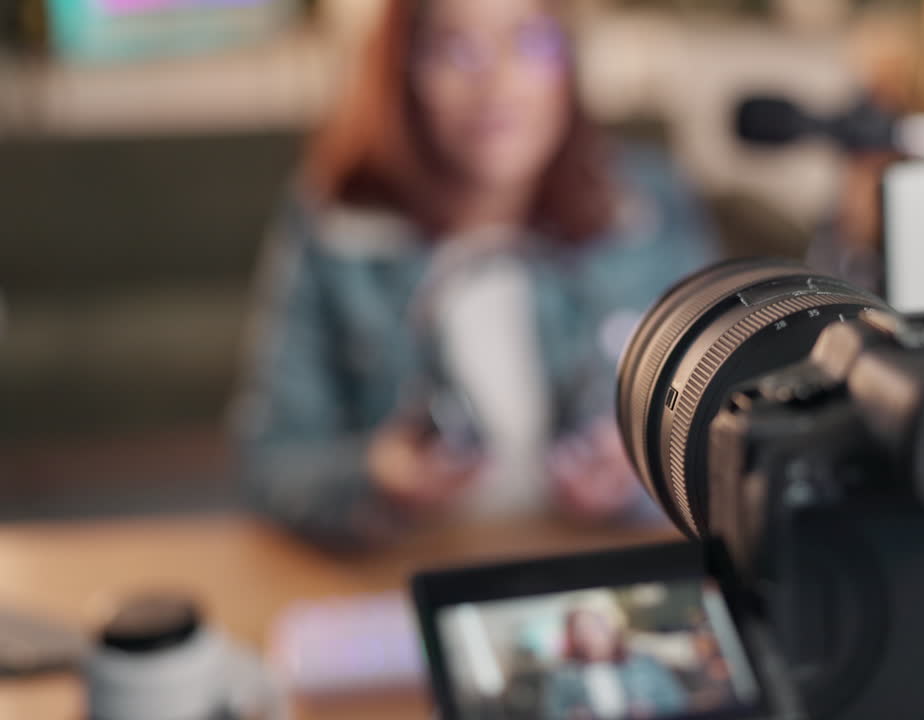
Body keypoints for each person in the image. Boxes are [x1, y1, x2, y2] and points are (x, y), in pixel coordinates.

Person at [234, 0, 714, 547]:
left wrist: (642, 475)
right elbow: (270, 464)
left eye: (531, 43)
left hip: (593, 564)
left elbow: (722, 443)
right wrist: (375, 475)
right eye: (456, 50)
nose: (497, 83)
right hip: (406, 570)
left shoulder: (649, 205)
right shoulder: (335, 223)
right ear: (405, 68)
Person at [543, 595, 687, 720]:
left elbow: (677, 701)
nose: (591, 634)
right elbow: (552, 713)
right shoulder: (563, 676)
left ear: (612, 625)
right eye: (582, 628)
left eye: (597, 624)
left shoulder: (645, 663)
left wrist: (653, 709)